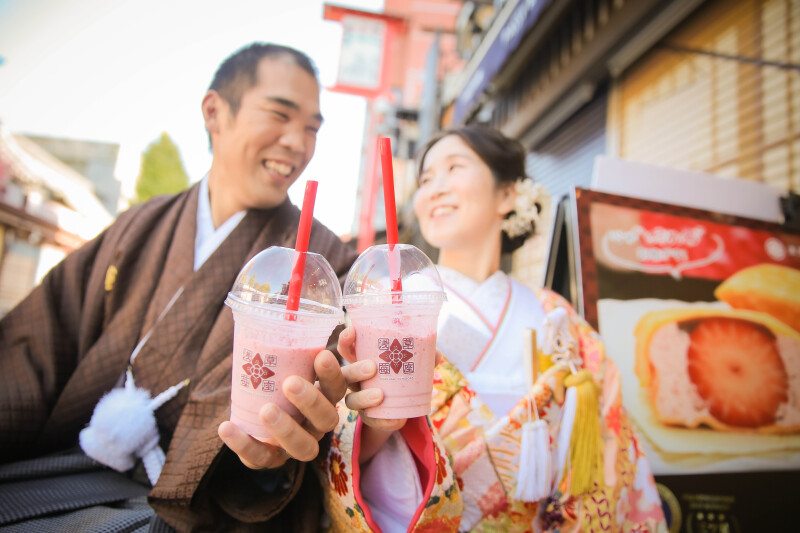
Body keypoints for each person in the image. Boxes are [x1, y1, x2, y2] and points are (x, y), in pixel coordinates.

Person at [0, 42, 371, 532]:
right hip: (73, 463)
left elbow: (308, 415)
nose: (297, 143)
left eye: (311, 129)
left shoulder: (325, 262)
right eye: (280, 115)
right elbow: (39, 341)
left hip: (197, 509)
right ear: (215, 111)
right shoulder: (140, 227)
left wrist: (277, 449)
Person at [318, 126, 667, 532]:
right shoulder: (387, 302)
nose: (434, 188)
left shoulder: (553, 313)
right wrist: (379, 425)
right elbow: (350, 451)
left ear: (507, 195)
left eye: (454, 168)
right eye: (426, 178)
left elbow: (605, 432)